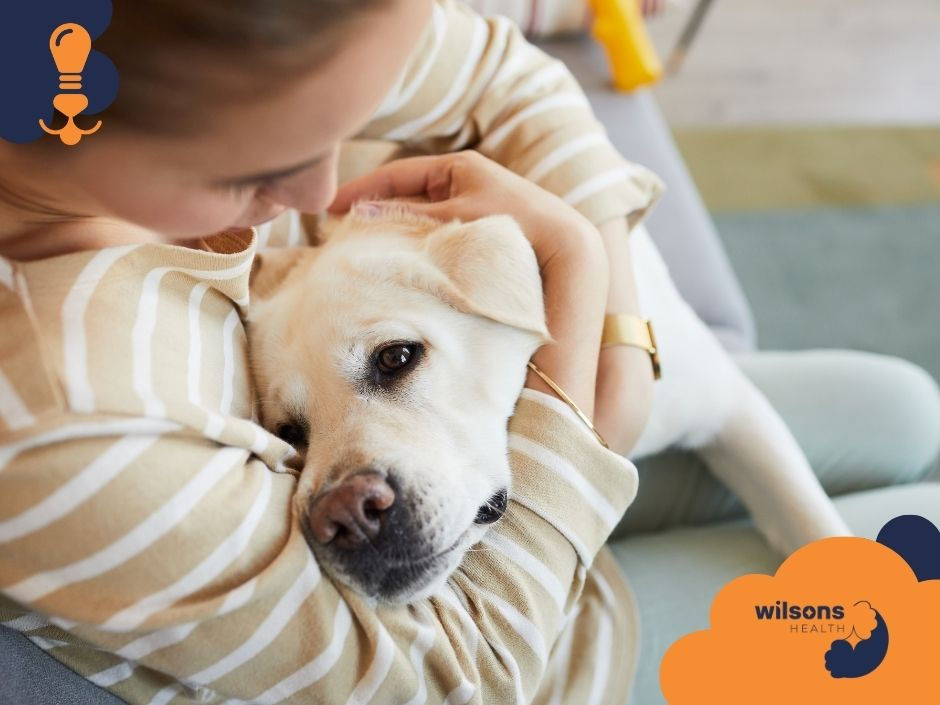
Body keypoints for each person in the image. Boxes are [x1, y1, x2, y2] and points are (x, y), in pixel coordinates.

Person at [0, 1, 661, 703]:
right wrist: (580, 286)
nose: (323, 195)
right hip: (532, 632)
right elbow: (470, 678)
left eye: (352, 121)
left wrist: (619, 335)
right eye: (265, 159)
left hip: (514, 518)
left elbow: (513, 80)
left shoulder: (307, 26)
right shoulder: (72, 418)